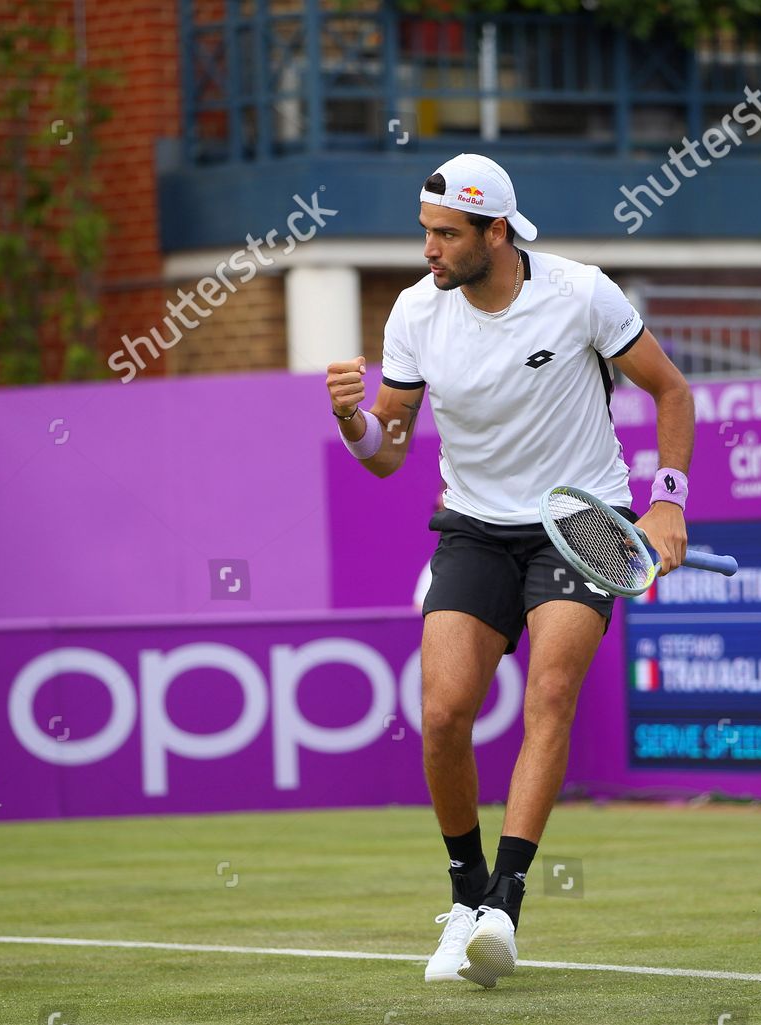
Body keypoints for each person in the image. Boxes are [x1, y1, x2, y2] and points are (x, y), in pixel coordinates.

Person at [323, 153, 694, 988]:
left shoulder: (581, 293)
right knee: (445, 711)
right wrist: (352, 421)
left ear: (496, 231)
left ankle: (505, 906)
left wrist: (666, 501)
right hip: (474, 528)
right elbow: (386, 454)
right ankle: (465, 896)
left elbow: (671, 391)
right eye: (425, 232)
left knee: (550, 694)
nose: (430, 250)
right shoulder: (416, 314)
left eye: (447, 235)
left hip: (581, 527)